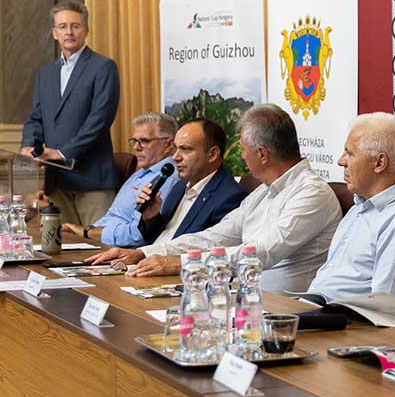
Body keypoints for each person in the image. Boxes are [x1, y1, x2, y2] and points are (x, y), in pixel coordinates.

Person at [97, 104, 340, 293]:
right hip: (243, 298)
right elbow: (214, 237)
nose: (242, 156)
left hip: (286, 311)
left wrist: (180, 263)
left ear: (262, 154)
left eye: (243, 150)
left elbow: (261, 252)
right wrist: (145, 253)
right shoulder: (263, 192)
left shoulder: (311, 193)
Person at [305, 113, 395, 302]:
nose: (341, 161)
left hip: (345, 320)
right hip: (314, 311)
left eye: (349, 153)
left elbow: (387, 308)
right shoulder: (359, 208)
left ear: (379, 163)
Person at [85, 117, 247, 258]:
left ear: (212, 154)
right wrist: (150, 218)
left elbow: (209, 251)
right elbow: (158, 235)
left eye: (186, 149)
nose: (176, 157)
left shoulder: (230, 197)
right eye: (176, 148)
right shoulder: (180, 185)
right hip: (143, 260)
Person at [20, 1, 120, 225]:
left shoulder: (103, 67)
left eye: (75, 26)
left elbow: (100, 119)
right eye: (62, 26)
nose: (69, 32)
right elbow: (36, 118)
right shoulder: (45, 74)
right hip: (56, 181)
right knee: (62, 242)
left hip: (92, 179)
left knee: (97, 242)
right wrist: (28, 146)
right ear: (54, 33)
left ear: (86, 30)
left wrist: (63, 153)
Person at [62, 112, 179, 245]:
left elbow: (137, 234)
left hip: (121, 250)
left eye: (144, 141)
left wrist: (86, 232)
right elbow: (111, 216)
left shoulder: (168, 177)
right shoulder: (141, 172)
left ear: (168, 145)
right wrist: (84, 231)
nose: (136, 147)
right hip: (100, 240)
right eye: (135, 141)